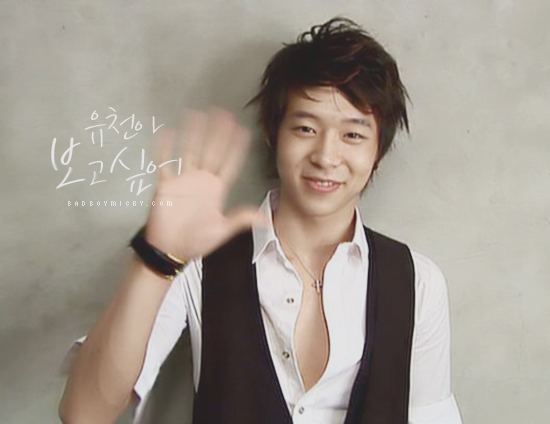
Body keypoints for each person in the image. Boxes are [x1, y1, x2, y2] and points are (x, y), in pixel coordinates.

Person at [59, 17, 463, 424]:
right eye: (305, 128)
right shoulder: (198, 262)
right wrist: (155, 256)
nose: (326, 157)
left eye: (353, 135)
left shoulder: (417, 282)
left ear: (378, 150)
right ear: (274, 134)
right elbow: (84, 414)